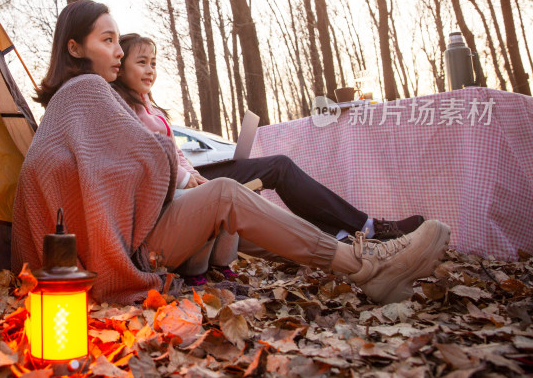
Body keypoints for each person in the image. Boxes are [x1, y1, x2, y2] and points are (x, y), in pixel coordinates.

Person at [11, 0, 450, 306]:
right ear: (75, 48)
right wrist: (179, 173)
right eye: (108, 40)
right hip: (117, 257)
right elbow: (153, 155)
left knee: (235, 200)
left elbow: (115, 171)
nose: (120, 50)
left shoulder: (70, 101)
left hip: (101, 252)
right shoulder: (87, 91)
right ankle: (367, 264)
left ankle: (367, 258)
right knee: (225, 194)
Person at [110, 33, 425, 282]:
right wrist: (187, 178)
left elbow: (176, 153)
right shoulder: (121, 109)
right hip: (171, 200)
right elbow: (151, 159)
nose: (150, 69)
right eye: (141, 62)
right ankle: (361, 247)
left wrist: (194, 174)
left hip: (193, 180)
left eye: (153, 63)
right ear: (120, 67)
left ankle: (357, 242)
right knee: (254, 184)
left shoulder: (152, 108)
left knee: (274, 174)